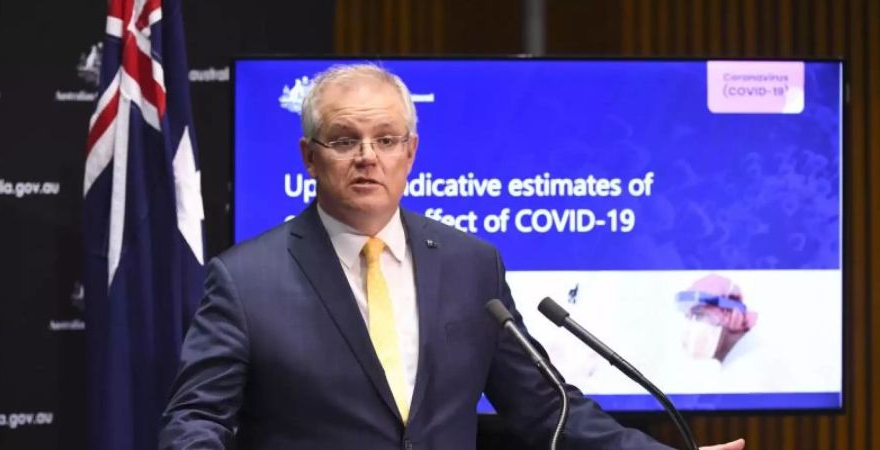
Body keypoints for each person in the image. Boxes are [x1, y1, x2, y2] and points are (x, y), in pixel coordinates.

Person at [159, 64, 745, 450]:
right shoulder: (245, 280)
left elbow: (547, 412)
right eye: (343, 140)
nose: (367, 156)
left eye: (386, 140)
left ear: (410, 153)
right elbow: (196, 422)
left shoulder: (471, 266)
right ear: (309, 157)